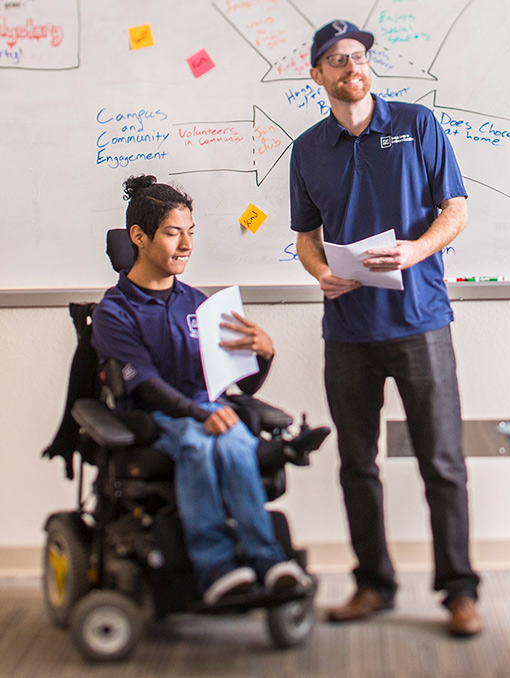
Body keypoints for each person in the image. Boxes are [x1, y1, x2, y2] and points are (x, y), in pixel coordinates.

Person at [289, 20, 482, 637]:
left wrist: (416, 249)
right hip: (347, 329)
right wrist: (320, 272)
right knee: (356, 465)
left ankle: (459, 591)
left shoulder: (418, 124)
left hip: (421, 321)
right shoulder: (308, 149)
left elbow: (456, 209)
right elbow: (305, 236)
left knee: (443, 462)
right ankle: (373, 583)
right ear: (317, 74)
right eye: (338, 61)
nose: (354, 68)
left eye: (359, 57)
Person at [91, 175, 307, 606]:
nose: (186, 245)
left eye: (190, 233)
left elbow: (234, 384)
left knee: (235, 443)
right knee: (196, 442)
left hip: (210, 408)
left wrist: (263, 355)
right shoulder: (114, 312)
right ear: (139, 236)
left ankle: (268, 561)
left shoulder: (199, 305)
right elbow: (146, 385)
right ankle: (216, 567)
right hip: (160, 418)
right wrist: (198, 413)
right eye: (173, 233)